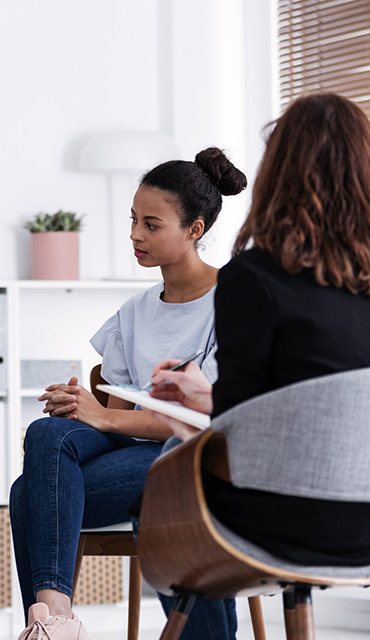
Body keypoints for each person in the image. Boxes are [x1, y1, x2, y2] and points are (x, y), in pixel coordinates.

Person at [9, 148, 247, 640]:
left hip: (195, 460)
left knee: (26, 496)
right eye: (134, 220)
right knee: (47, 433)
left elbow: (205, 419)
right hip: (135, 459)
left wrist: (105, 418)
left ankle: (51, 625)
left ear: (194, 230)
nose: (136, 235)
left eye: (152, 224)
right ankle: (55, 618)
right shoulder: (134, 312)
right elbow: (114, 415)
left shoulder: (234, 301)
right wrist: (83, 409)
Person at [148, 93, 370, 569]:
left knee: (169, 469)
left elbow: (241, 428)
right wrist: (208, 396)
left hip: (285, 522)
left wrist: (185, 421)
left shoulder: (253, 278)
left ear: (278, 175)